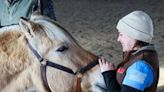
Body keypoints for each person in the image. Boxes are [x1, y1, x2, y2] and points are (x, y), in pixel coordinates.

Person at [99, 10, 159, 92]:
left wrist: (108, 74)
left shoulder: (140, 67)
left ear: (134, 36)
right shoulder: (137, 54)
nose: (118, 39)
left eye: (121, 34)